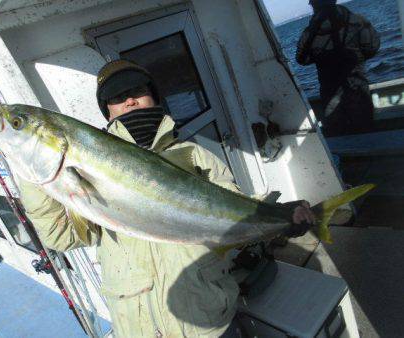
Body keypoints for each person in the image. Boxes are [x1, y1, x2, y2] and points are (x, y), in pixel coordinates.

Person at [18, 59, 315, 337]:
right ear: (107, 112)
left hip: (206, 321)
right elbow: (61, 237)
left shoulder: (196, 155)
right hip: (138, 327)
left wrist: (280, 217)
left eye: (137, 91)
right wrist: (29, 170)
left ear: (155, 97)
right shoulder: (88, 168)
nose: (130, 101)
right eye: (117, 98)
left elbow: (234, 212)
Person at [296, 0, 380, 137]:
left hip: (331, 94)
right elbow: (373, 47)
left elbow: (301, 59)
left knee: (339, 133)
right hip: (357, 89)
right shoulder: (357, 21)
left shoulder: (310, 32)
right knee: (366, 130)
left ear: (315, 5)